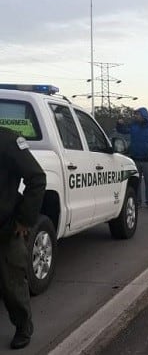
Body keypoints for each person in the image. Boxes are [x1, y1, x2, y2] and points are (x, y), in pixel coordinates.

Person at [0, 127, 46, 349]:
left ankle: (22, 326)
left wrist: (25, 220)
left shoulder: (7, 140)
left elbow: (37, 178)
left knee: (12, 284)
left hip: (6, 228)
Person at [117, 107, 148, 209]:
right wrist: (119, 124)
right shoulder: (133, 126)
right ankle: (137, 201)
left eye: (137, 114)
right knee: (136, 182)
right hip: (135, 159)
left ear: (143, 115)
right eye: (135, 114)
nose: (135, 116)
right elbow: (122, 130)